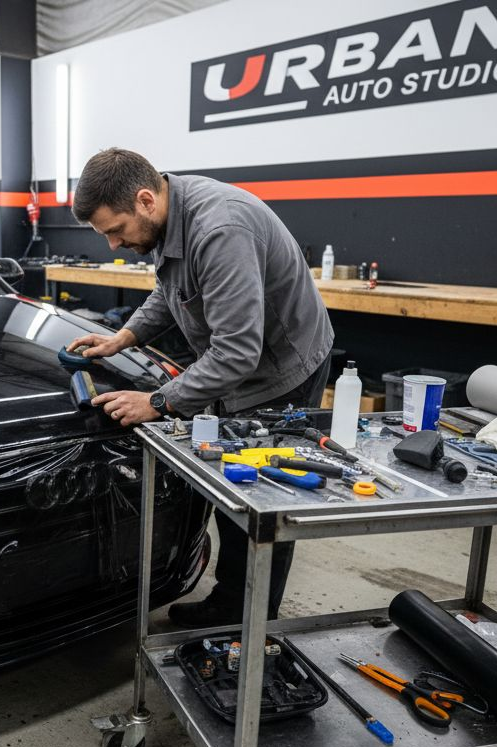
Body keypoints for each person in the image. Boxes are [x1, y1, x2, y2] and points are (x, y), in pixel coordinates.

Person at [66, 148, 334, 629]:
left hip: (282, 370)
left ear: (146, 200)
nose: (112, 244)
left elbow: (236, 353)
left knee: (261, 499)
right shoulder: (170, 217)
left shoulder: (220, 230)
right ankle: (230, 603)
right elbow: (171, 292)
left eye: (115, 230)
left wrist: (157, 401)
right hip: (244, 360)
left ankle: (249, 629)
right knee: (230, 484)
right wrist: (123, 337)